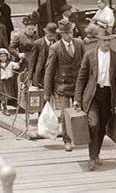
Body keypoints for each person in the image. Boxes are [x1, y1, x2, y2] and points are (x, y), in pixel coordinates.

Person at [74, 30, 116, 171]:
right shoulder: (89, 56)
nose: (107, 43)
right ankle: (91, 156)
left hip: (108, 95)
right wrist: (77, 99)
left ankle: (96, 154)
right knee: (94, 124)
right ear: (98, 41)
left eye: (109, 40)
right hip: (93, 95)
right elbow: (81, 78)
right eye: (104, 40)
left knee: (102, 127)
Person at [44, 19, 85, 152]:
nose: (69, 35)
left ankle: (80, 137)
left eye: (71, 32)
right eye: (66, 33)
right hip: (62, 87)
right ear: (61, 34)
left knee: (80, 112)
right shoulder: (55, 48)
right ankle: (67, 140)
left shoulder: (79, 44)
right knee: (64, 113)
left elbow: (85, 65)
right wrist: (47, 92)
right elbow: (49, 71)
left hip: (78, 86)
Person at [0, 48, 26, 116]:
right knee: (2, 95)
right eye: (1, 56)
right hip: (1, 82)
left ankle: (0, 104)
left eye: (4, 56)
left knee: (7, 95)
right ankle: (4, 109)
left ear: (7, 56)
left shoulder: (10, 64)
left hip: (8, 82)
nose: (3, 58)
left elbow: (17, 66)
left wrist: (21, 60)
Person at [27, 23, 57, 88]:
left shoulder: (57, 43)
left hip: (54, 74)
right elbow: (32, 61)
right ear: (46, 33)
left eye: (54, 35)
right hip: (41, 73)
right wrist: (30, 77)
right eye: (50, 35)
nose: (52, 37)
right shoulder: (37, 43)